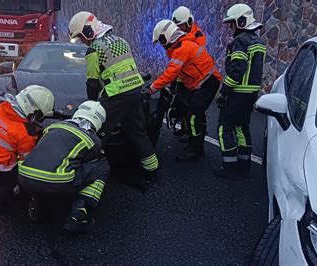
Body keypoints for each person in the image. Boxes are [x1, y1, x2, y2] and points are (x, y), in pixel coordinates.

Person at [68, 11, 159, 182]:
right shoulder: (121, 40)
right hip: (135, 92)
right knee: (137, 131)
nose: (83, 41)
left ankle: (87, 169)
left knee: (95, 131)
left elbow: (92, 82)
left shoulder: (93, 49)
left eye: (81, 37)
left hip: (116, 95)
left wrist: (91, 105)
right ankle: (152, 170)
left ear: (89, 31)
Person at [18, 101, 109, 233]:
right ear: (99, 121)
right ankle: (78, 213)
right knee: (102, 166)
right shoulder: (93, 140)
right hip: (56, 183)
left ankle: (37, 208)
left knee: (44, 167)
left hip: (24, 177)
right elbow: (87, 164)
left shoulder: (52, 126)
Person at [0, 85, 55, 213]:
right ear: (34, 111)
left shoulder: (0, 109)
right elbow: (28, 160)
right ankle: (0, 197)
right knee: (26, 174)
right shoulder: (24, 132)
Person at [150, 20, 222, 162]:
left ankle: (195, 148)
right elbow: (177, 72)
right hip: (201, 82)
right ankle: (194, 141)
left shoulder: (183, 47)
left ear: (166, 37)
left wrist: (152, 88)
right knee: (191, 111)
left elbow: (171, 72)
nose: (161, 44)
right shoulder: (179, 46)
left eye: (161, 40)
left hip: (208, 82)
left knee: (194, 114)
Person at [213, 4, 266, 179]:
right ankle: (244, 163)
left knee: (224, 127)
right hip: (250, 93)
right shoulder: (258, 41)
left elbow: (237, 69)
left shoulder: (240, 41)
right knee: (242, 127)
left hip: (237, 92)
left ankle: (229, 167)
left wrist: (224, 91)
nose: (231, 27)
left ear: (241, 21)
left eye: (232, 23)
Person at [169, 6, 207, 141]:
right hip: (182, 76)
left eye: (181, 25)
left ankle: (195, 137)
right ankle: (185, 129)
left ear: (189, 22)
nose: (179, 28)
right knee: (183, 105)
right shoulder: (180, 36)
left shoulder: (198, 36)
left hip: (195, 79)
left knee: (195, 110)